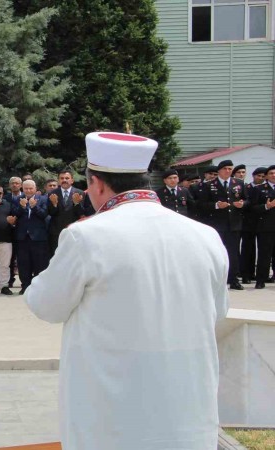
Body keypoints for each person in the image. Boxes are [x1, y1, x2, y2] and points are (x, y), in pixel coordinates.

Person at [26, 131, 228, 450]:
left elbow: (45, 304)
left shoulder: (86, 236)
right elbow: (218, 312)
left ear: (97, 184)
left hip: (114, 413)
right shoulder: (206, 235)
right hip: (187, 407)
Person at [198, 159, 247, 290]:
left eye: (230, 169)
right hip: (217, 224)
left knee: (233, 252)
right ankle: (218, 279)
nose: (227, 171)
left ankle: (233, 279)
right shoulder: (209, 185)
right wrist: (216, 205)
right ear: (219, 171)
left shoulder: (239, 183)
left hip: (234, 224)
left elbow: (247, 200)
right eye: (225, 169)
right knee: (217, 252)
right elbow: (202, 205)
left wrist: (242, 204)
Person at [13, 180, 49, 294]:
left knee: (40, 263)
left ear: (35, 188)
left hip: (38, 237)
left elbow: (44, 214)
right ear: (22, 189)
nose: (28, 191)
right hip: (22, 237)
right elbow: (14, 214)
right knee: (23, 263)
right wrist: (22, 207)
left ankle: (38, 288)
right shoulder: (17, 199)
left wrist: (34, 207)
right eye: (26, 188)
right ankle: (25, 286)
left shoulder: (43, 199)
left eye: (30, 188)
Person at [47, 170, 85, 256]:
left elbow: (82, 213)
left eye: (67, 178)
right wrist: (54, 204)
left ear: (72, 180)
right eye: (62, 178)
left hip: (73, 231)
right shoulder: (52, 193)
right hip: (56, 232)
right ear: (58, 180)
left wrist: (76, 203)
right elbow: (50, 213)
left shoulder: (80, 193)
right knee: (57, 256)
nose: (64, 180)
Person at [240, 167, 267, 284]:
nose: (260, 178)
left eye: (263, 176)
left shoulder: (266, 188)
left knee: (264, 250)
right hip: (248, 222)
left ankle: (261, 274)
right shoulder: (247, 188)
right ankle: (246, 274)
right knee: (248, 249)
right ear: (253, 176)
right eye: (258, 176)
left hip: (263, 223)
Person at [251, 165, 275, 289]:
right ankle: (261, 279)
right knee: (264, 255)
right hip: (266, 227)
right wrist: (267, 206)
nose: (274, 175)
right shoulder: (259, 189)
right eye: (271, 173)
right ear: (266, 176)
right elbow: (253, 208)